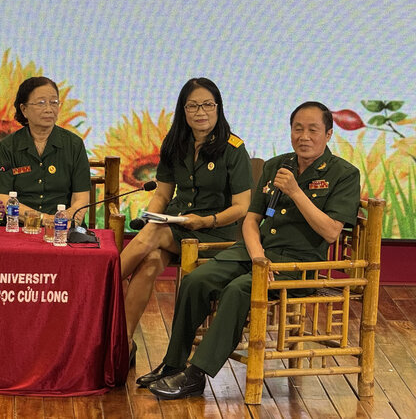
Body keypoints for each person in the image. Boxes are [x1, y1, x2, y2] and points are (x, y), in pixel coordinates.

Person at [146, 101, 361, 399]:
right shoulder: (277, 165)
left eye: (313, 130)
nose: (304, 136)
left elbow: (331, 230)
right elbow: (250, 220)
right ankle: (172, 364)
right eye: (297, 128)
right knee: (197, 280)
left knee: (238, 290)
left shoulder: (344, 174)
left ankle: (196, 375)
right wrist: (258, 255)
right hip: (255, 253)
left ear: (328, 134)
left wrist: (296, 193)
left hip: (296, 265)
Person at [123, 78, 253, 370]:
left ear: (218, 108)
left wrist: (204, 220)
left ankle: (101, 286)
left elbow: (242, 207)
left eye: (207, 104)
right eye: (192, 105)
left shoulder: (233, 148)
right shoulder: (174, 144)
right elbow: (163, 194)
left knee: (153, 235)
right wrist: (151, 213)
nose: (200, 111)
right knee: (150, 260)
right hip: (178, 226)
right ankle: (122, 343)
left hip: (218, 231)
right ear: (183, 110)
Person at [0, 76, 90, 224]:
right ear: (24, 109)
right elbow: (3, 197)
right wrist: (42, 219)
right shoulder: (9, 145)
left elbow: (81, 198)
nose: (49, 109)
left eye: (54, 102)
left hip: (62, 227)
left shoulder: (74, 144)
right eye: (41, 103)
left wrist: (69, 217)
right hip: (19, 226)